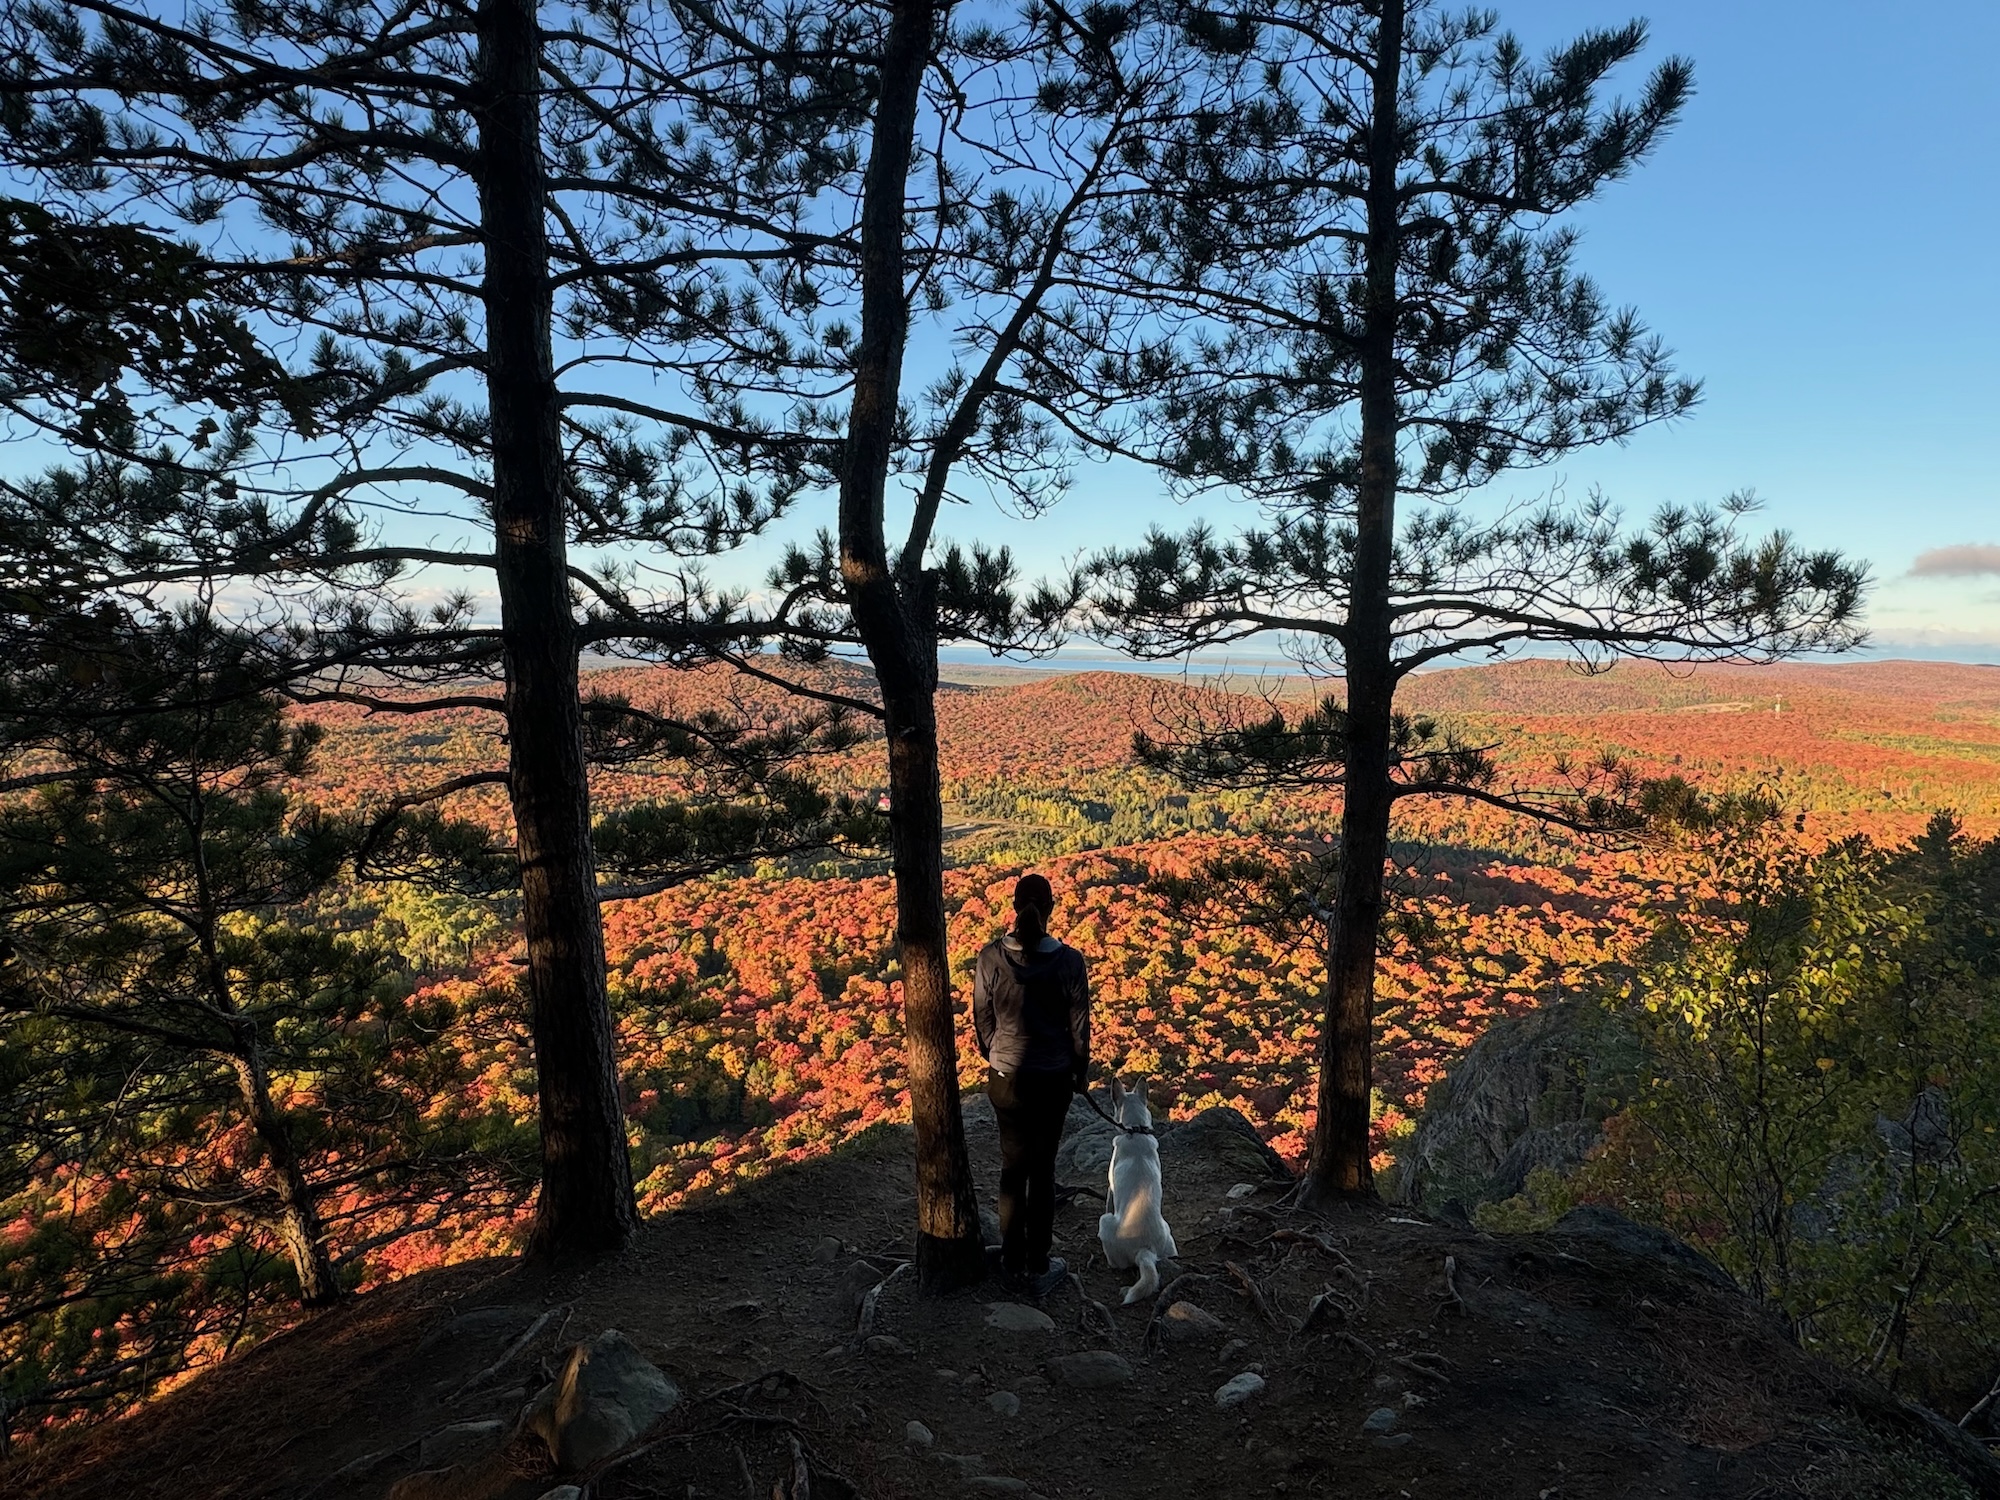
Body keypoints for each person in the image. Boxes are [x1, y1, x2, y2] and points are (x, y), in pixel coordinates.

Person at [972, 872, 1091, 1296]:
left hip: (1005, 1080)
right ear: (1052, 908)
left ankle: (1010, 1259)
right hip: (1053, 1080)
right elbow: (1079, 1030)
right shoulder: (1070, 962)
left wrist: (997, 1055)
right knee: (1042, 1172)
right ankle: (1038, 1265)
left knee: (1011, 1168)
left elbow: (982, 1022)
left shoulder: (989, 958)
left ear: (1015, 906)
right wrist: (1079, 1070)